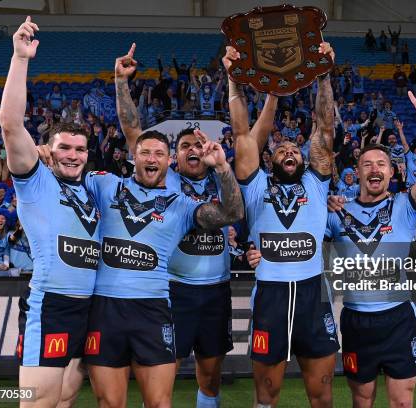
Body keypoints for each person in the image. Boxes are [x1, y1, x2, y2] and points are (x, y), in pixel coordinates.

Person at [74, 43, 244, 408]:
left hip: (157, 305)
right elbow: (126, 131)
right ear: (133, 156)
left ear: (169, 162)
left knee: (163, 400)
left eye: (158, 154)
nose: (152, 158)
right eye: (145, 153)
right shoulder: (107, 184)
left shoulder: (182, 204)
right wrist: (120, 82)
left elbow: (230, 214)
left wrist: (223, 168)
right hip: (110, 305)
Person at [115, 44, 261, 406]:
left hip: (217, 290)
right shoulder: (165, 180)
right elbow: (134, 132)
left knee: (211, 374)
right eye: (184, 145)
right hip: (175, 290)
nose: (193, 149)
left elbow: (235, 207)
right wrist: (121, 83)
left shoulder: (222, 178)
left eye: (198, 143)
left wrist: (222, 166)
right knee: (165, 370)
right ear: (174, 155)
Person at [224, 42, 339, 407]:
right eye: (280, 150)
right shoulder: (256, 185)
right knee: (266, 395)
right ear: (269, 159)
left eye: (295, 149)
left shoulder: (316, 185)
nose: (289, 152)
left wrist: (323, 75)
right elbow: (243, 136)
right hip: (270, 295)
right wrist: (235, 81)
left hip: (312, 293)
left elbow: (324, 127)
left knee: (321, 393)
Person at [0, 17, 102, 407]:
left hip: (89, 306)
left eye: (79, 149)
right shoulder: (36, 181)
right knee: (38, 400)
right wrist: (20, 58)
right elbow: (10, 125)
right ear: (49, 150)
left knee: (65, 399)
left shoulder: (91, 188)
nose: (73, 155)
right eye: (64, 148)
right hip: (52, 303)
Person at [326, 90, 416, 408]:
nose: (375, 168)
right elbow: (303, 235)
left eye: (382, 163)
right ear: (358, 172)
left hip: (398, 319)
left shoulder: (405, 206)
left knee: (402, 402)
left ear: (391, 172)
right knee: (362, 400)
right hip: (356, 320)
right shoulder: (337, 210)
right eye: (367, 164)